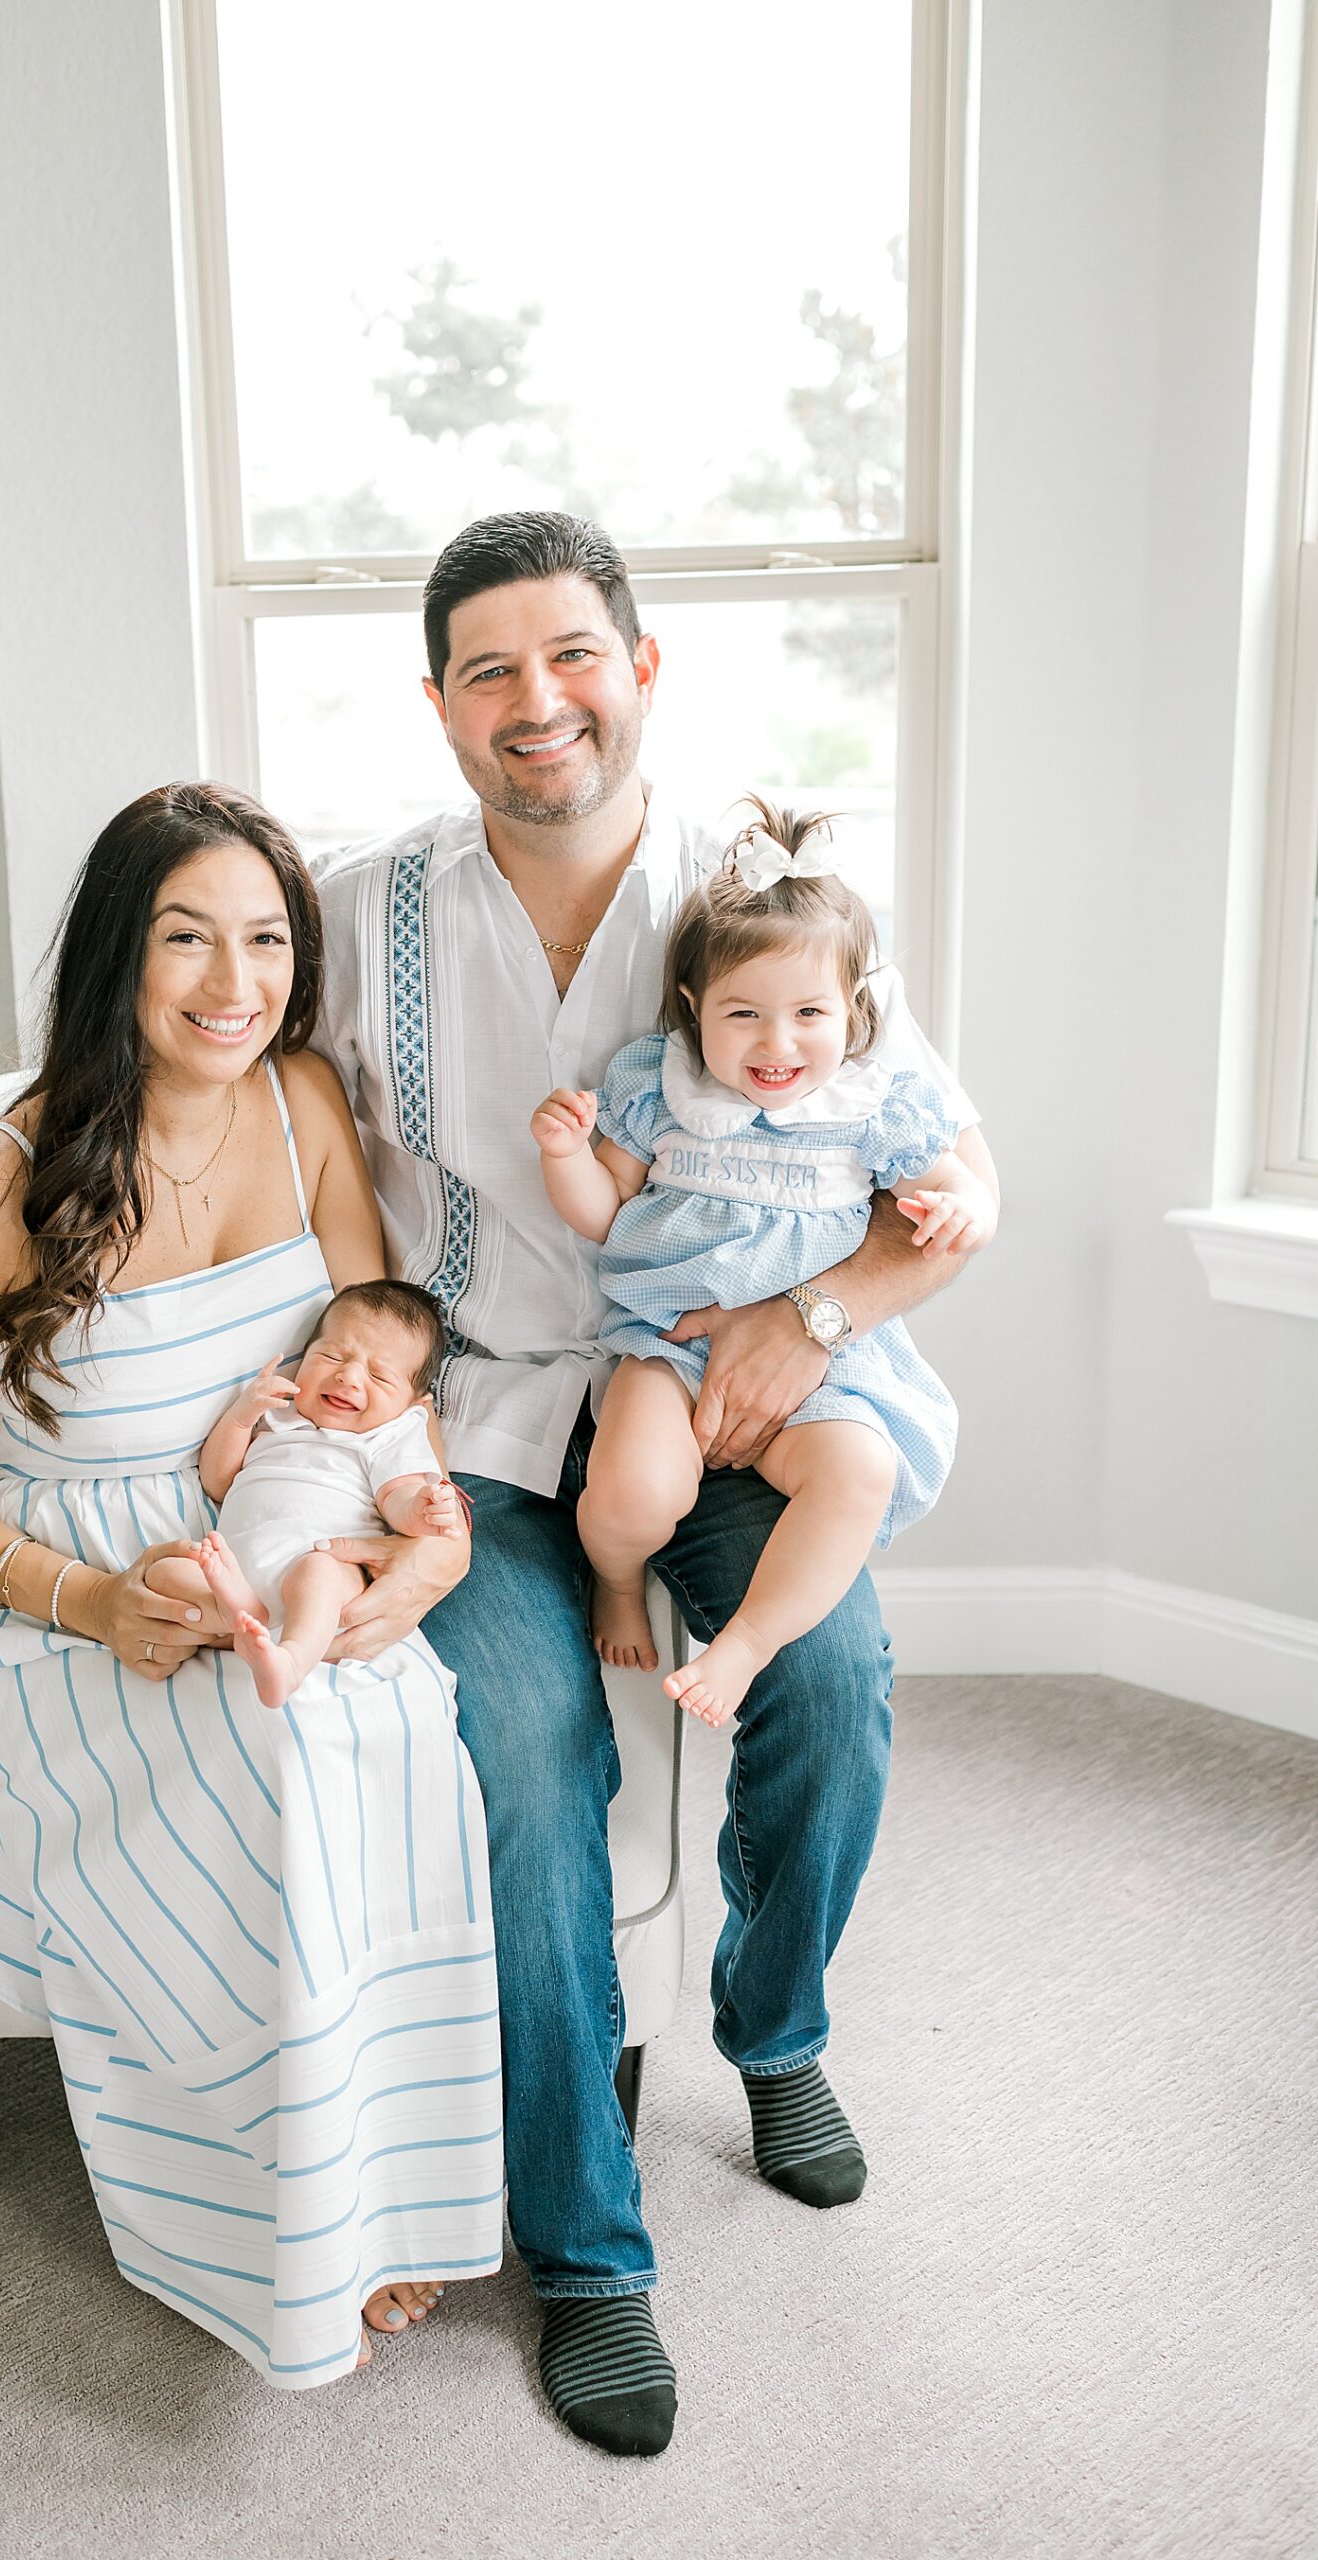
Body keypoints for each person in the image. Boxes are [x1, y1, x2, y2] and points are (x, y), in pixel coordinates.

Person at [307, 513, 999, 2457]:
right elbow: (253, 1112)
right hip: (472, 1426)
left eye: (573, 654)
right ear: (439, 702)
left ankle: (775, 2026)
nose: (541, 701)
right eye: (490, 669)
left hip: (720, 1396)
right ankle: (589, 2247)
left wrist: (830, 1310)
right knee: (530, 1765)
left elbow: (957, 1173)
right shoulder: (365, 913)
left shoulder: (761, 893)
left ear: (643, 663)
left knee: (836, 1679)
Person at [0, 781, 500, 2389]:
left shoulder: (303, 1107)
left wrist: (421, 1536)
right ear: (116, 960)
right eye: (187, 937)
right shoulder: (2, 1179)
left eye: (268, 940)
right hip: (62, 1577)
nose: (234, 981)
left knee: (392, 1725)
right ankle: (284, 2226)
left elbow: (381, 1363)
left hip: (283, 1516)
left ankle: (379, 2193)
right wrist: (84, 1601)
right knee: (267, 1757)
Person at [532, 796, 995, 1725]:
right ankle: (616, 1579)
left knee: (856, 1474)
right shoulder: (660, 1084)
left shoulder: (873, 1103)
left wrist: (958, 1207)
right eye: (744, 1013)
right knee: (632, 1491)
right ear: (697, 1006)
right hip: (666, 1345)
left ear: (854, 1009)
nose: (777, 1045)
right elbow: (602, 1213)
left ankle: (747, 1645)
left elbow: (967, 1191)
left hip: (820, 1367)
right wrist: (561, 1156)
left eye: (809, 1014)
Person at [182, 1280, 466, 1710]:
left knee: (319, 1574)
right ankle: (245, 1613)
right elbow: (217, 1481)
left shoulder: (388, 1437)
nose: (348, 1376)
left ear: (413, 1405)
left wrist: (424, 1509)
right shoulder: (278, 1415)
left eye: (377, 1375)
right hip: (236, 1566)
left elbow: (399, 1500)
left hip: (323, 1564)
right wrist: (242, 1418)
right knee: (172, 1568)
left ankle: (290, 1662)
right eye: (331, 1355)